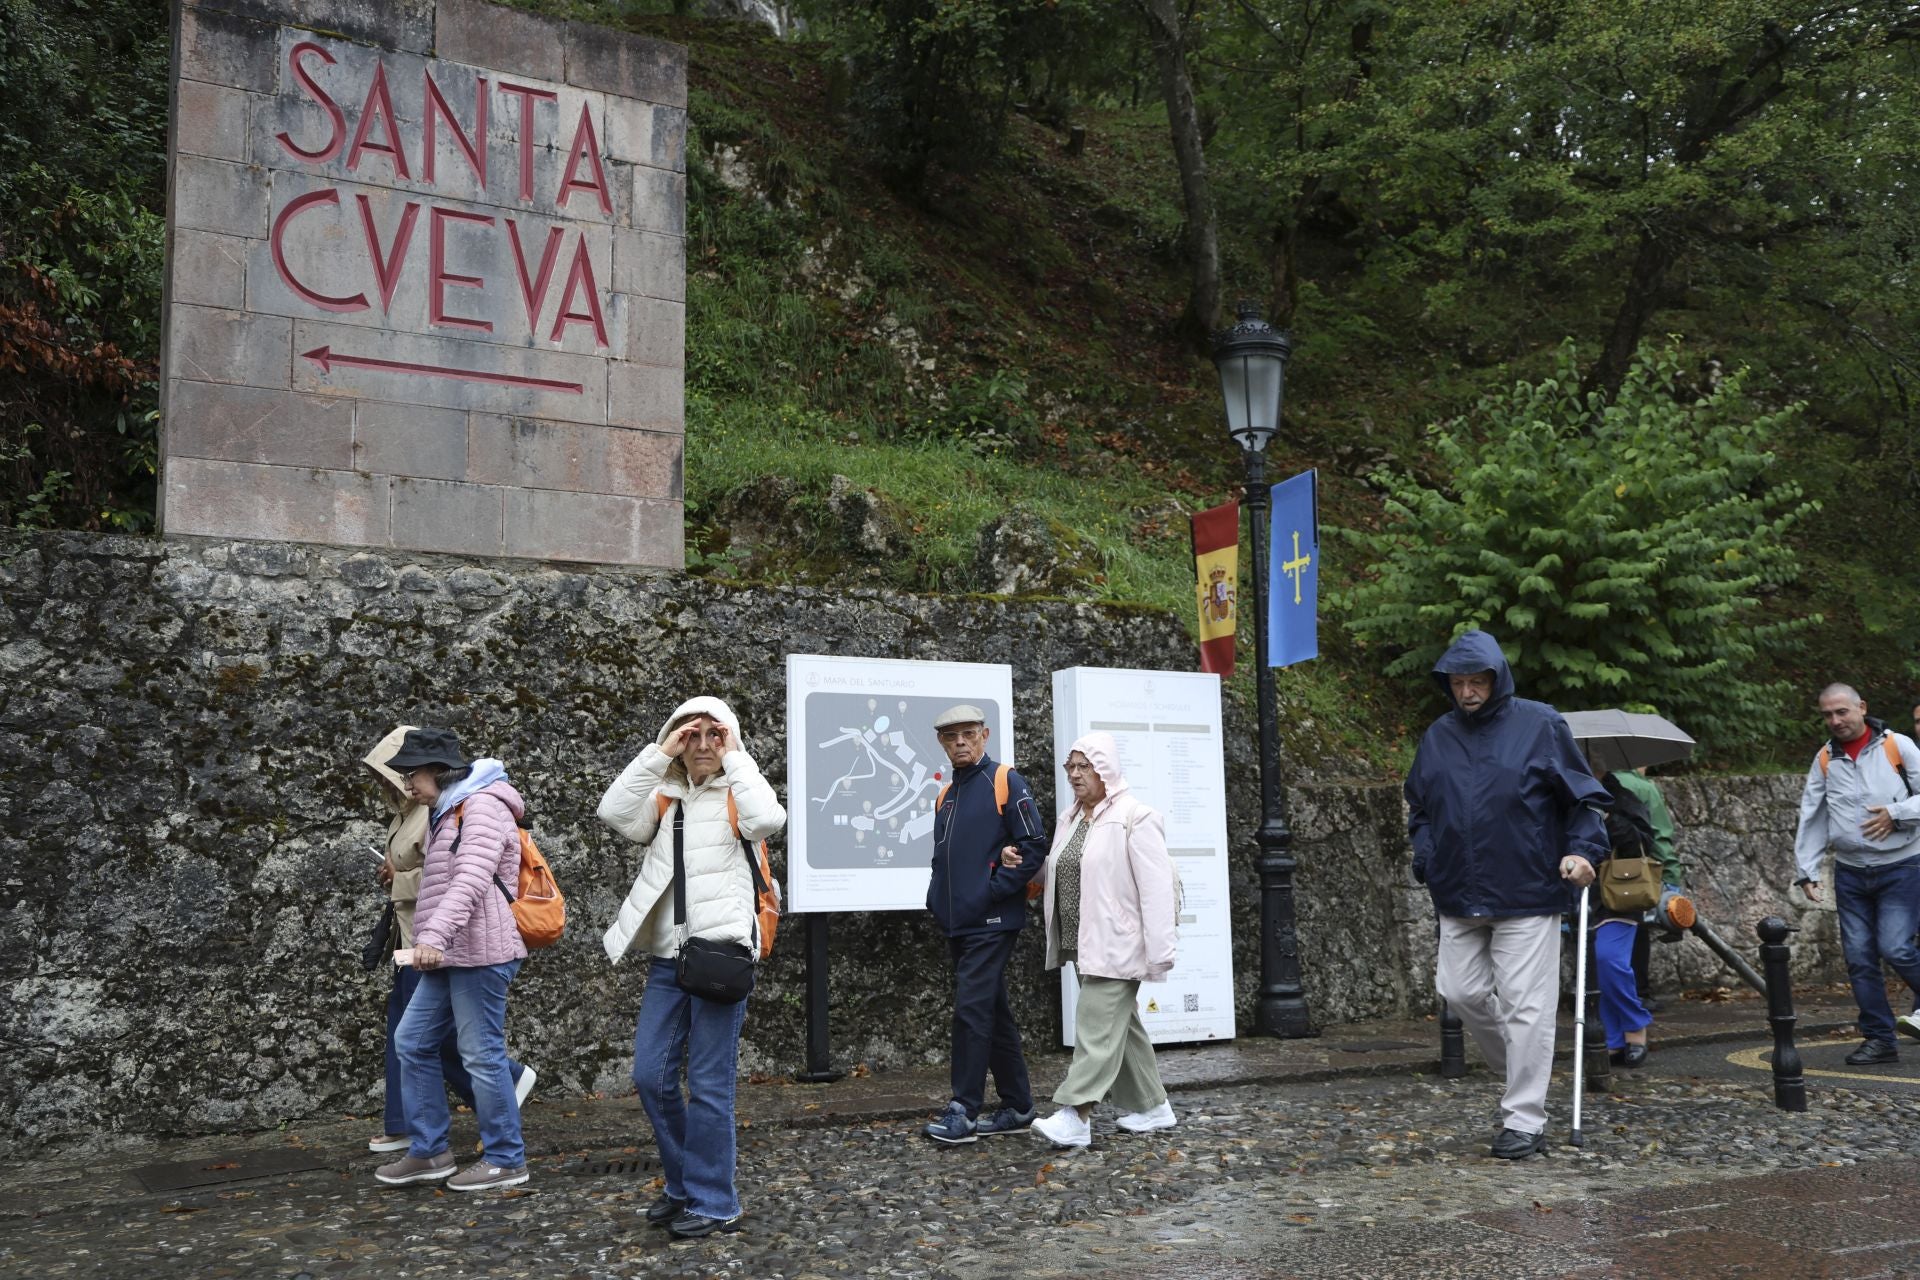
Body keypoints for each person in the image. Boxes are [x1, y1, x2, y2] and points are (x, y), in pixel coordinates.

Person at [1405, 630, 1607, 1160]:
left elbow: (1582, 800)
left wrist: (1584, 850)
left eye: (1477, 682)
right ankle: (1521, 1065)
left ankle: (1524, 1119)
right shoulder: (1438, 736)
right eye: (1458, 683)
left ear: (1498, 680)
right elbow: (1419, 807)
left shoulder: (1540, 724)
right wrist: (1426, 856)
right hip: (1457, 890)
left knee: (1526, 1007)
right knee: (1458, 992)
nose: (1467, 692)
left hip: (1527, 889)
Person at [599, 696, 786, 1239]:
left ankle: (715, 1201)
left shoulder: (739, 792)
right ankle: (684, 1184)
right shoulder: (668, 795)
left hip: (721, 956)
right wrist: (660, 753)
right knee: (649, 1076)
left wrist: (735, 756)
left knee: (708, 1084)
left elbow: (768, 818)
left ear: (730, 739)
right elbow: (613, 812)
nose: (703, 744)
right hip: (670, 957)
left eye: (714, 734)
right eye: (691, 735)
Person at [361, 727, 535, 1157]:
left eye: (412, 775)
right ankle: (428, 1152)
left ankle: (506, 1158)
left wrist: (432, 937)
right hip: (451, 953)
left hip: (481, 951)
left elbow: (470, 880)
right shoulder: (448, 808)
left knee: (480, 1054)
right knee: (412, 1041)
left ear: (439, 770)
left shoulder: (481, 806)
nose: (406, 785)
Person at [1023, 733, 1178, 1149]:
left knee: (1095, 1026)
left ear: (1105, 768)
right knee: (1119, 1025)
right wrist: (1027, 867)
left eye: (1083, 766)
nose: (1074, 775)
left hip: (1119, 943)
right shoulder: (1072, 818)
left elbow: (1157, 890)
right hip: (1082, 941)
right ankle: (1153, 1106)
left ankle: (1076, 1115)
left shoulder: (1136, 817)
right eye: (1070, 767)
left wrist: (1160, 952)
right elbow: (1066, 869)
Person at [920, 704, 1048, 1145]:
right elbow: (944, 859)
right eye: (951, 735)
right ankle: (1018, 1106)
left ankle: (964, 1111)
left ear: (984, 735)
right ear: (941, 742)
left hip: (992, 920)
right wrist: (937, 899)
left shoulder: (1005, 780)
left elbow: (1033, 845)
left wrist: (994, 890)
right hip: (960, 922)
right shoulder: (946, 795)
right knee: (992, 1011)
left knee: (971, 1010)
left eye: (969, 733)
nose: (960, 741)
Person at [1792, 683, 1920, 1065]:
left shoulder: (1898, 746)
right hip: (1850, 872)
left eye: (1842, 711)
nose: (1835, 720)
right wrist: (1807, 869)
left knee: (1895, 947)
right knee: (1860, 959)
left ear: (1861, 707)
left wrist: (1896, 813)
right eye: (1827, 715)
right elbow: (1813, 814)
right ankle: (1880, 1040)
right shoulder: (1825, 758)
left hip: (1902, 865)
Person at [1588, 765, 1683, 1068]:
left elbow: (1642, 843)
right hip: (1579, 896)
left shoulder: (1623, 797)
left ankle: (1634, 1024)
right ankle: (1614, 1039)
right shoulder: (1562, 795)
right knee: (1596, 971)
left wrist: (1606, 817)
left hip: (1620, 893)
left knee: (1609, 960)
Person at [1615, 765, 1682, 1015]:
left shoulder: (1581, 780)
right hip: (1632, 876)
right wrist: (1671, 879)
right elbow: (1659, 838)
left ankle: (1588, 994)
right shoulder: (1642, 788)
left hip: (1590, 874)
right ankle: (1639, 993)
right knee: (1636, 931)